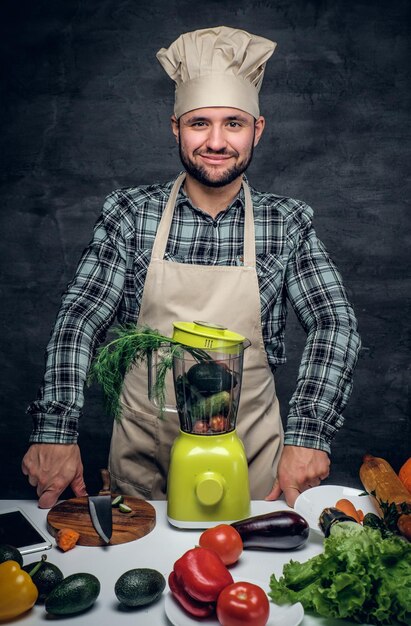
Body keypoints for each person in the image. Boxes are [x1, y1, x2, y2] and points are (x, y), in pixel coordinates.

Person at [22, 26, 361, 509]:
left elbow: (335, 323)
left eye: (234, 124)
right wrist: (55, 428)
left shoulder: (285, 222)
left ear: (257, 130)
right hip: (143, 466)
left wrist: (309, 434)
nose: (217, 141)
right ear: (176, 127)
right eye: (200, 123)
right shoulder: (130, 214)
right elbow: (81, 316)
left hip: (251, 467)